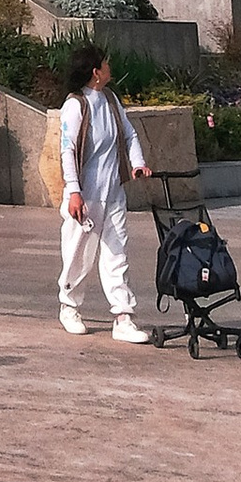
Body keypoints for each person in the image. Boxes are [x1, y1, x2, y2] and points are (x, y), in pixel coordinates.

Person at [56, 44, 151, 344]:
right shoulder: (75, 105)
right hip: (85, 197)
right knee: (79, 253)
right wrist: (74, 192)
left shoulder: (110, 99)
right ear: (96, 72)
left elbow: (129, 134)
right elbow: (67, 151)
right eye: (106, 64)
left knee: (117, 252)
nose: (110, 67)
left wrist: (138, 164)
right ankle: (69, 307)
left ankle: (123, 317)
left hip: (114, 193)